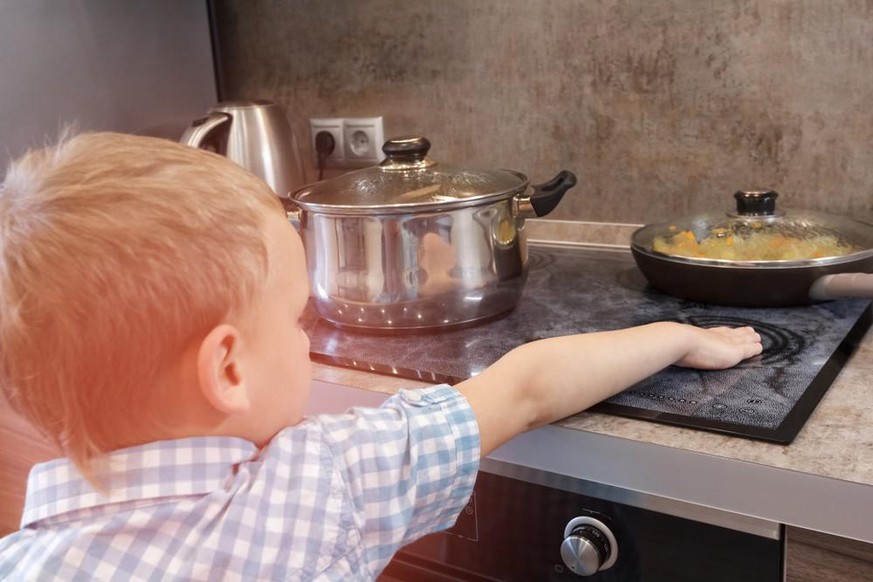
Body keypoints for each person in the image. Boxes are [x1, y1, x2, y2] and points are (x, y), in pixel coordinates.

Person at [0, 132, 763, 581]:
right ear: (226, 370)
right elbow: (525, 387)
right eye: (296, 319)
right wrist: (682, 336)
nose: (309, 340)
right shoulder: (320, 481)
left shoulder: (23, 560)